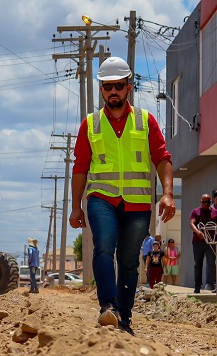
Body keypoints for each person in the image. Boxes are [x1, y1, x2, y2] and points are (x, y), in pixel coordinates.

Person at [69, 57, 174, 336]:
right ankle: (108, 307)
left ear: (128, 87)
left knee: (129, 260)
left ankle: (124, 319)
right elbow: (80, 168)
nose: (112, 91)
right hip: (102, 198)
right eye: (107, 87)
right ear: (101, 89)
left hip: (138, 203)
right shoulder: (90, 125)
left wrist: (168, 194)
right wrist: (76, 207)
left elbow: (162, 158)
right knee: (103, 247)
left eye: (118, 86)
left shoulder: (145, 121)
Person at [189, 194, 217, 293]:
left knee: (211, 263)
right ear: (201, 201)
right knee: (198, 264)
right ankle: (197, 287)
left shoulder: (215, 212)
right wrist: (198, 232)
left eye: (208, 202)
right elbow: (192, 223)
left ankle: (214, 285)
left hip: (210, 242)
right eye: (204, 202)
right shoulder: (195, 212)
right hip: (198, 242)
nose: (206, 204)